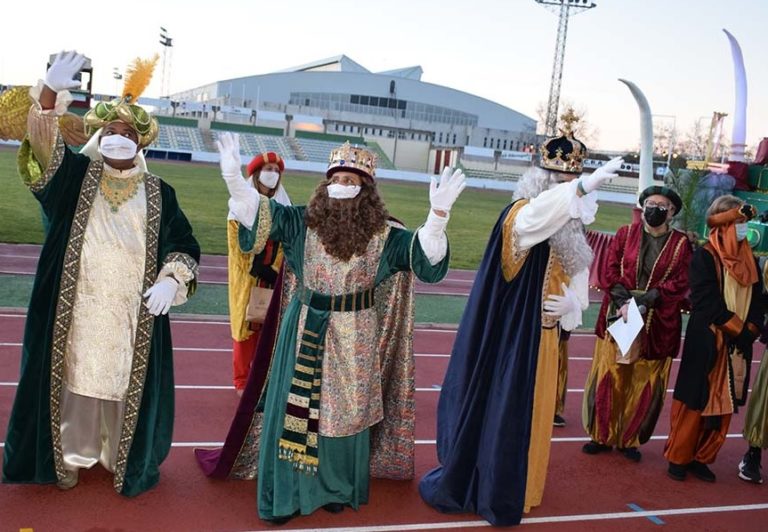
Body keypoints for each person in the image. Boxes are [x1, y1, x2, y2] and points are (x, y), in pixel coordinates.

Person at [218, 132, 464, 523]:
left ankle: (335, 485)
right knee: (299, 409)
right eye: (335, 178)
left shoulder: (385, 233)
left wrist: (437, 218)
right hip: (304, 329)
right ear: (324, 183)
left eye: (350, 181)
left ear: (366, 189)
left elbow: (423, 260)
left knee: (344, 414)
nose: (341, 186)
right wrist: (235, 180)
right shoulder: (300, 221)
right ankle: (293, 490)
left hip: (356, 334)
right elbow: (258, 217)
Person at [2, 51, 200, 496]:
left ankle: (118, 458)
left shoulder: (160, 192)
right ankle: (67, 456)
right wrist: (50, 94)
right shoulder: (74, 177)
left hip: (132, 315)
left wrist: (173, 277)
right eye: (110, 131)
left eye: (127, 133)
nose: (117, 138)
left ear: (141, 143)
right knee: (72, 375)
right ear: (99, 137)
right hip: (73, 307)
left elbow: (183, 244)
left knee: (121, 380)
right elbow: (43, 151)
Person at [419, 111, 623, 526]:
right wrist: (579, 187)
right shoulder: (522, 217)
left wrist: (573, 308)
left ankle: (525, 483)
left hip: (547, 342)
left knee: (537, 416)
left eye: (576, 183)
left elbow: (580, 288)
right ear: (547, 183)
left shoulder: (573, 238)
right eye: (565, 184)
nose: (577, 197)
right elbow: (541, 214)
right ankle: (495, 484)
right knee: (508, 415)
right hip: (513, 343)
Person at [582, 186, 692, 462]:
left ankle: (629, 439)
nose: (654, 209)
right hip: (619, 315)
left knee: (643, 378)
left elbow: (680, 281)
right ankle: (601, 435)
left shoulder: (681, 244)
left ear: (672, 212)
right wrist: (623, 303)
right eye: (650, 203)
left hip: (657, 321)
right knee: (611, 371)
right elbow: (610, 268)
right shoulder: (624, 234)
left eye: (662, 205)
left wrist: (648, 301)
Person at [665, 195, 762, 482]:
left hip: (738, 344)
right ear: (725, 224)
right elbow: (706, 301)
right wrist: (739, 330)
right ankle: (679, 457)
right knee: (695, 400)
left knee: (725, 403)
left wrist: (751, 329)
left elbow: (758, 300)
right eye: (739, 223)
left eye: (745, 223)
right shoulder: (705, 256)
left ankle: (702, 457)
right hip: (708, 338)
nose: (743, 229)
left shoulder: (751, 260)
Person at [228, 151, 289, 396]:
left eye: (276, 171)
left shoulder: (284, 206)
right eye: (267, 170)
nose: (272, 175)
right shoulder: (240, 206)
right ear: (254, 175)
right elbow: (235, 243)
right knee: (246, 326)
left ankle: (265, 378)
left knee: (271, 329)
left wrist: (276, 270)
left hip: (273, 278)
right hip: (248, 276)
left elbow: (288, 241)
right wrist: (254, 266)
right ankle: (242, 380)